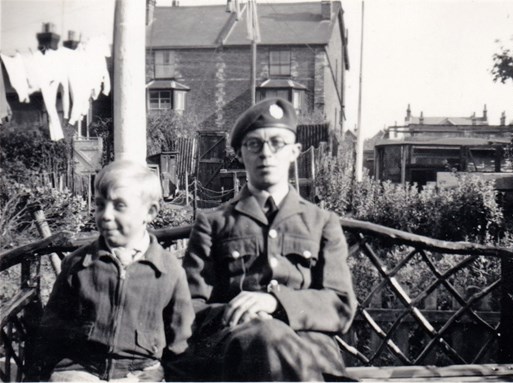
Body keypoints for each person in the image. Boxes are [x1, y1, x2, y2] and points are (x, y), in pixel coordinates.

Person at [182, 98, 357, 381]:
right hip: (235, 352)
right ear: (240, 153)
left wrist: (275, 303)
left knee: (270, 336)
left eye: (277, 143)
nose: (266, 153)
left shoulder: (321, 223)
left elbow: (341, 306)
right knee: (262, 335)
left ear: (295, 152)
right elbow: (190, 305)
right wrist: (237, 313)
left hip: (309, 354)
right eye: (254, 144)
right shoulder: (214, 223)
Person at [36, 159, 195, 382]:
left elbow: (181, 340)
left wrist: (165, 373)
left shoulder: (168, 271)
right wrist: (51, 371)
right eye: (100, 204)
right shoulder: (78, 264)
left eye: (119, 205)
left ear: (150, 212)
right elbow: (52, 328)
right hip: (81, 369)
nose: (106, 215)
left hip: (140, 372)